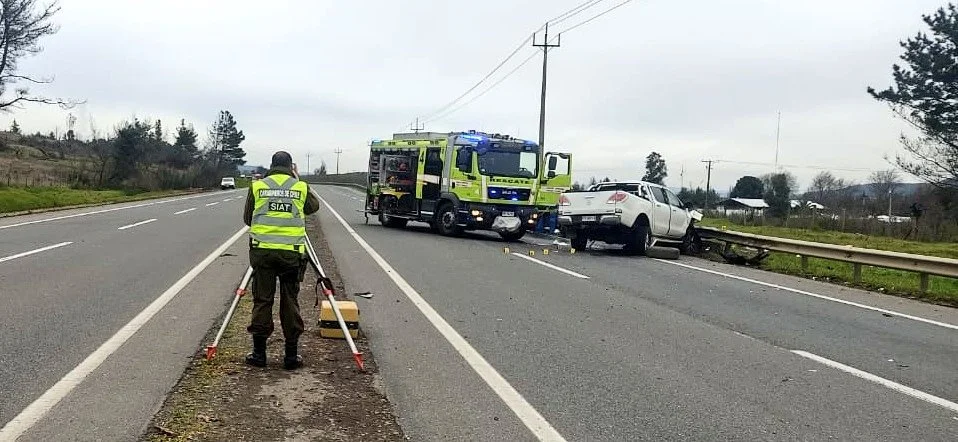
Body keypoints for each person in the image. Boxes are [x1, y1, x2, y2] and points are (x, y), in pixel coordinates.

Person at [243, 151, 320, 369]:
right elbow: (313, 207)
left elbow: (248, 218)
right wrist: (296, 180)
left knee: (262, 300)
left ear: (271, 165)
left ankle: (259, 354)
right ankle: (291, 355)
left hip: (263, 253)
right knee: (290, 302)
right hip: (291, 254)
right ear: (291, 166)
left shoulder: (258, 186)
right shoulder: (299, 187)